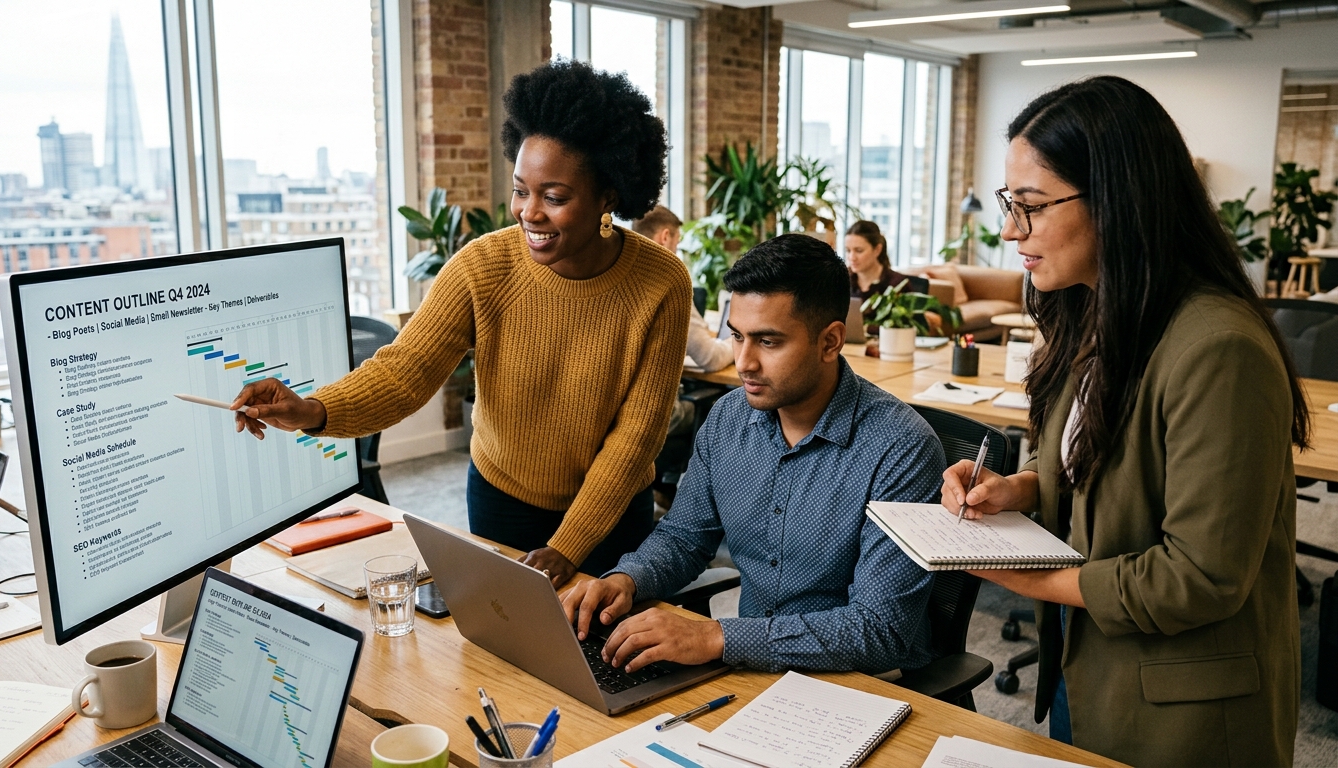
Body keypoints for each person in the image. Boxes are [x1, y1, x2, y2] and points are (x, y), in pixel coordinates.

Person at [940, 76, 1305, 767]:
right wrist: (1019, 488)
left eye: (1033, 207)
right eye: (1009, 204)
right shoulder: (1096, 312)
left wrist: (1023, 576)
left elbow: (1201, 576)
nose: (1011, 230)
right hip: (1090, 664)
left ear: (1118, 200)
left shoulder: (1217, 347)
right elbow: (1089, 461)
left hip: (1187, 711)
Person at [232, 60, 691, 588]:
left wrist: (568, 547)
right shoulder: (484, 267)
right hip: (504, 499)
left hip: (612, 513)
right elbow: (403, 373)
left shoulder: (662, 283)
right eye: (521, 190)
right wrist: (313, 410)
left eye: (555, 197)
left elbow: (636, 438)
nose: (528, 212)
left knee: (603, 656)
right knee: (505, 651)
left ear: (609, 196)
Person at [561, 234, 946, 675]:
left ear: (830, 341)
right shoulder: (728, 417)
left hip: (865, 683)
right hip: (750, 667)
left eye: (768, 342)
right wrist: (627, 580)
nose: (743, 362)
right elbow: (685, 537)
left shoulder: (900, 447)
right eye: (738, 337)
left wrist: (716, 636)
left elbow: (878, 630)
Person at [633, 205, 733, 374]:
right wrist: (738, 340)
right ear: (665, 237)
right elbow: (711, 358)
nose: (676, 251)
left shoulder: (618, 276)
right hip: (659, 398)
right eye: (677, 243)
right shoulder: (667, 283)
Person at [844, 220, 912, 303]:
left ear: (877, 250)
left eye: (859, 250)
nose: (852, 257)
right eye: (848, 250)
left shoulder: (897, 285)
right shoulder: (842, 282)